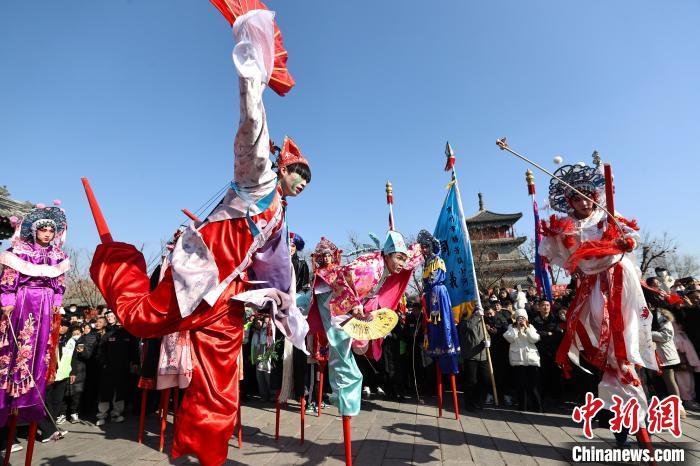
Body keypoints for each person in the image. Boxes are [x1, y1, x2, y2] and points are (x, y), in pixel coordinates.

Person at [89, 6, 309, 465]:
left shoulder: (279, 215)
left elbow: (275, 267)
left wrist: (283, 307)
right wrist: (253, 74)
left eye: (307, 180)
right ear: (282, 167)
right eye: (299, 174)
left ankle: (205, 455)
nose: (303, 183)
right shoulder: (258, 178)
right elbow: (252, 125)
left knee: (220, 386)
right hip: (198, 278)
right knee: (139, 319)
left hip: (229, 299)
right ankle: (117, 261)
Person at [539, 161, 656, 444]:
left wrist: (626, 243)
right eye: (576, 198)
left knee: (625, 338)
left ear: (594, 195)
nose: (583, 202)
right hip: (592, 286)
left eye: (586, 195)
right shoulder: (567, 227)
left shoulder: (608, 215)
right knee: (604, 346)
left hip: (619, 279)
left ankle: (635, 410)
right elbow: (554, 254)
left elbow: (631, 236)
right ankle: (620, 417)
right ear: (569, 202)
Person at [0, 201, 69, 430]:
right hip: (25, 300)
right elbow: (9, 279)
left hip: (46, 304)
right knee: (19, 346)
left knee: (41, 349)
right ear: (34, 230)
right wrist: (8, 300)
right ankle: (12, 391)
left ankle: (32, 396)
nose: (47, 234)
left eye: (51, 230)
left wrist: (56, 302)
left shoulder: (58, 255)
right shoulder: (20, 250)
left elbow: (59, 285)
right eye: (43, 229)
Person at [418, 230, 460, 375]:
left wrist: (427, 287)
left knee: (442, 321)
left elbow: (433, 279)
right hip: (430, 293)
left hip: (438, 292)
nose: (424, 250)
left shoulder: (437, 260)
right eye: (422, 247)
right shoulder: (426, 263)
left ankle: (447, 348)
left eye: (425, 246)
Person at [503, 307, 542, 412]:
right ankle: (523, 407)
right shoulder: (511, 327)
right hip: (518, 360)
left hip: (531, 360)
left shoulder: (531, 327)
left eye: (523, 318)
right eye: (519, 318)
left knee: (533, 386)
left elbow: (535, 339)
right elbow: (509, 339)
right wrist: (517, 329)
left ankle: (538, 407)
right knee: (521, 385)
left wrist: (526, 329)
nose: (521, 320)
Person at [458, 308, 491, 411]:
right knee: (471, 381)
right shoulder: (464, 322)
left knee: (485, 379)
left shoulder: (482, 322)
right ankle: (469, 403)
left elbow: (487, 335)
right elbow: (468, 327)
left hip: (483, 355)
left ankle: (479, 401)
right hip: (471, 356)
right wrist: (476, 316)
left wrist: (488, 341)